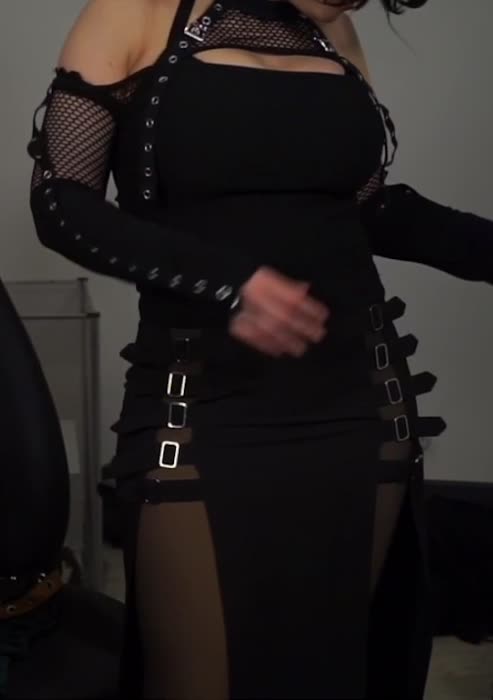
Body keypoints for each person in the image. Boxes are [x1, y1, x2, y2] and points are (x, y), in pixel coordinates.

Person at [27, 0, 493, 697]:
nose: (355, 2)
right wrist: (228, 281)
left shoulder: (331, 27)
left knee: (330, 670)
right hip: (204, 396)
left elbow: (366, 207)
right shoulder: (136, 11)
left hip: (356, 400)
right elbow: (62, 203)